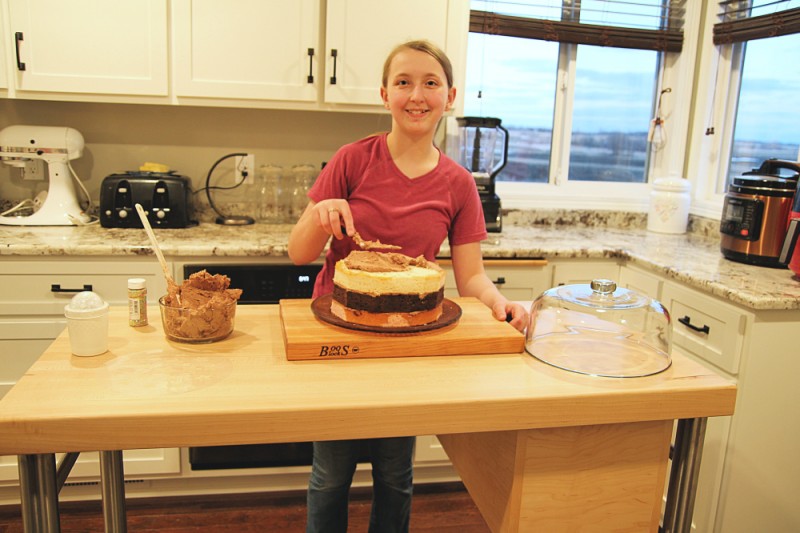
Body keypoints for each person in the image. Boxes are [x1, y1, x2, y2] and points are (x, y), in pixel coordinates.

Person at [288, 39, 528, 533]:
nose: (416, 95)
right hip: (341, 336)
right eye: (403, 82)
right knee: (330, 474)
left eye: (430, 83)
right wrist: (320, 212)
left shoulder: (459, 184)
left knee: (395, 474)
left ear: (451, 95)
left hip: (408, 339)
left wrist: (500, 303)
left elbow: (472, 278)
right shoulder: (352, 160)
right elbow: (298, 253)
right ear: (384, 95)